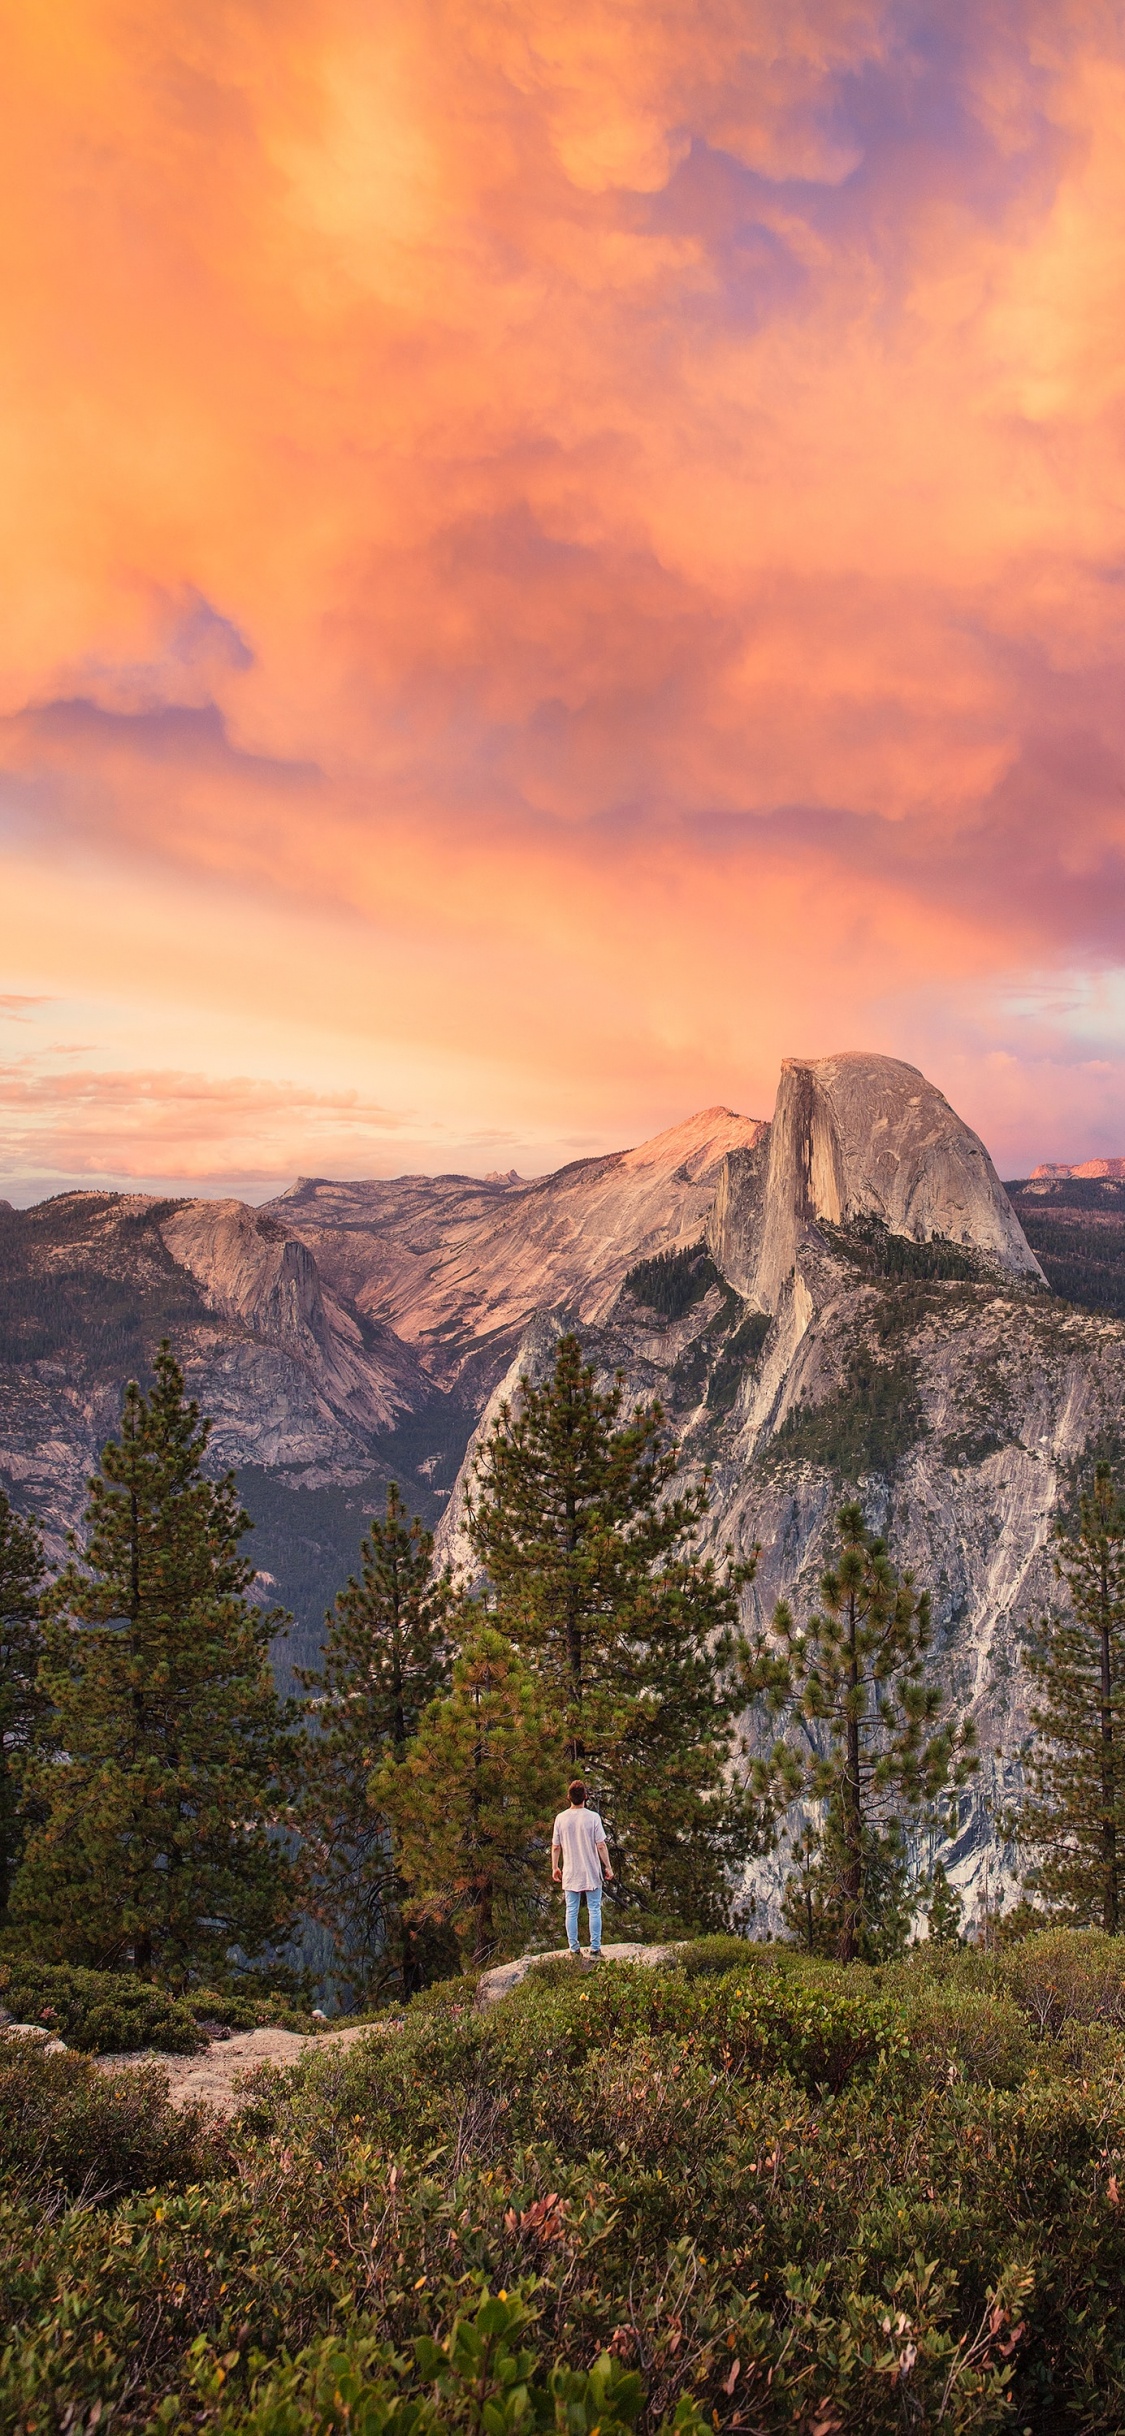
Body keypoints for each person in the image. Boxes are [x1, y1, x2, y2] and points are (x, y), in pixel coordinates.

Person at [551, 1778, 613, 1958]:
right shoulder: (593, 1817)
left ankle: (574, 1949)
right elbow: (601, 1845)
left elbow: (556, 1846)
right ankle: (595, 1948)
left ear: (568, 1797)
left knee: (571, 1910)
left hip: (571, 1871)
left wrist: (555, 1867)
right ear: (585, 1796)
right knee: (594, 1909)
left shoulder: (560, 1818)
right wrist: (608, 1867)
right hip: (591, 1870)